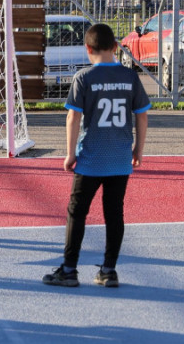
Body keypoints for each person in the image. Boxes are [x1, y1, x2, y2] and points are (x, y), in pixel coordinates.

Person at [42, 23, 149, 288]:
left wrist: (69, 154)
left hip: (90, 158)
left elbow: (73, 117)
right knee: (114, 214)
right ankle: (109, 269)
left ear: (88, 49)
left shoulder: (84, 77)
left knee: (77, 212)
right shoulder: (130, 77)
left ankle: (68, 269)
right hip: (120, 159)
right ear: (116, 47)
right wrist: (138, 149)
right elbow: (142, 115)